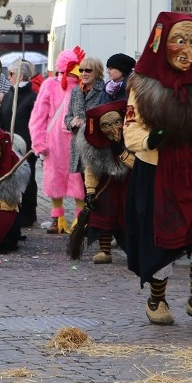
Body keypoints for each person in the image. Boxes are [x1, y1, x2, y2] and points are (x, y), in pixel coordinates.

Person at [124, 12, 192, 325]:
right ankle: (157, 301)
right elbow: (130, 130)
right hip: (157, 169)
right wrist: (151, 138)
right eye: (180, 41)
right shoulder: (143, 86)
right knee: (161, 240)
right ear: (163, 45)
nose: (188, 49)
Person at [30, 47, 87, 233]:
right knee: (54, 179)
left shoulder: (83, 86)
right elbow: (39, 115)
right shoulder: (50, 85)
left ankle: (80, 219)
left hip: (78, 141)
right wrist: (39, 141)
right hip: (54, 142)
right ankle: (57, 217)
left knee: (78, 178)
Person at [76, 100, 132, 264]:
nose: (113, 128)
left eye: (117, 122)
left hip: (127, 184)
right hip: (106, 186)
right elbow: (91, 169)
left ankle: (133, 248)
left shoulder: (132, 139)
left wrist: (122, 153)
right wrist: (90, 191)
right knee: (104, 213)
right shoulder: (95, 146)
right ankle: (104, 250)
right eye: (107, 125)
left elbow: (137, 163)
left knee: (128, 215)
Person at [0, 60, 38, 228]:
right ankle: (11, 207)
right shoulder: (9, 94)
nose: (8, 78)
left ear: (20, 75)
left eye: (12, 74)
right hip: (9, 143)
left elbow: (36, 122)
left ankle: (29, 213)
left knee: (28, 177)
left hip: (27, 145)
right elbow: (1, 117)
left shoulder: (32, 97)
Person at [66, 56, 106, 179]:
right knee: (84, 186)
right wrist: (71, 122)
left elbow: (106, 119)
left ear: (97, 72)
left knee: (95, 188)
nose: (83, 73)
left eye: (88, 70)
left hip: (95, 147)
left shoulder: (104, 90)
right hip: (78, 146)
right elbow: (68, 115)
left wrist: (84, 123)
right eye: (81, 70)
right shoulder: (76, 91)